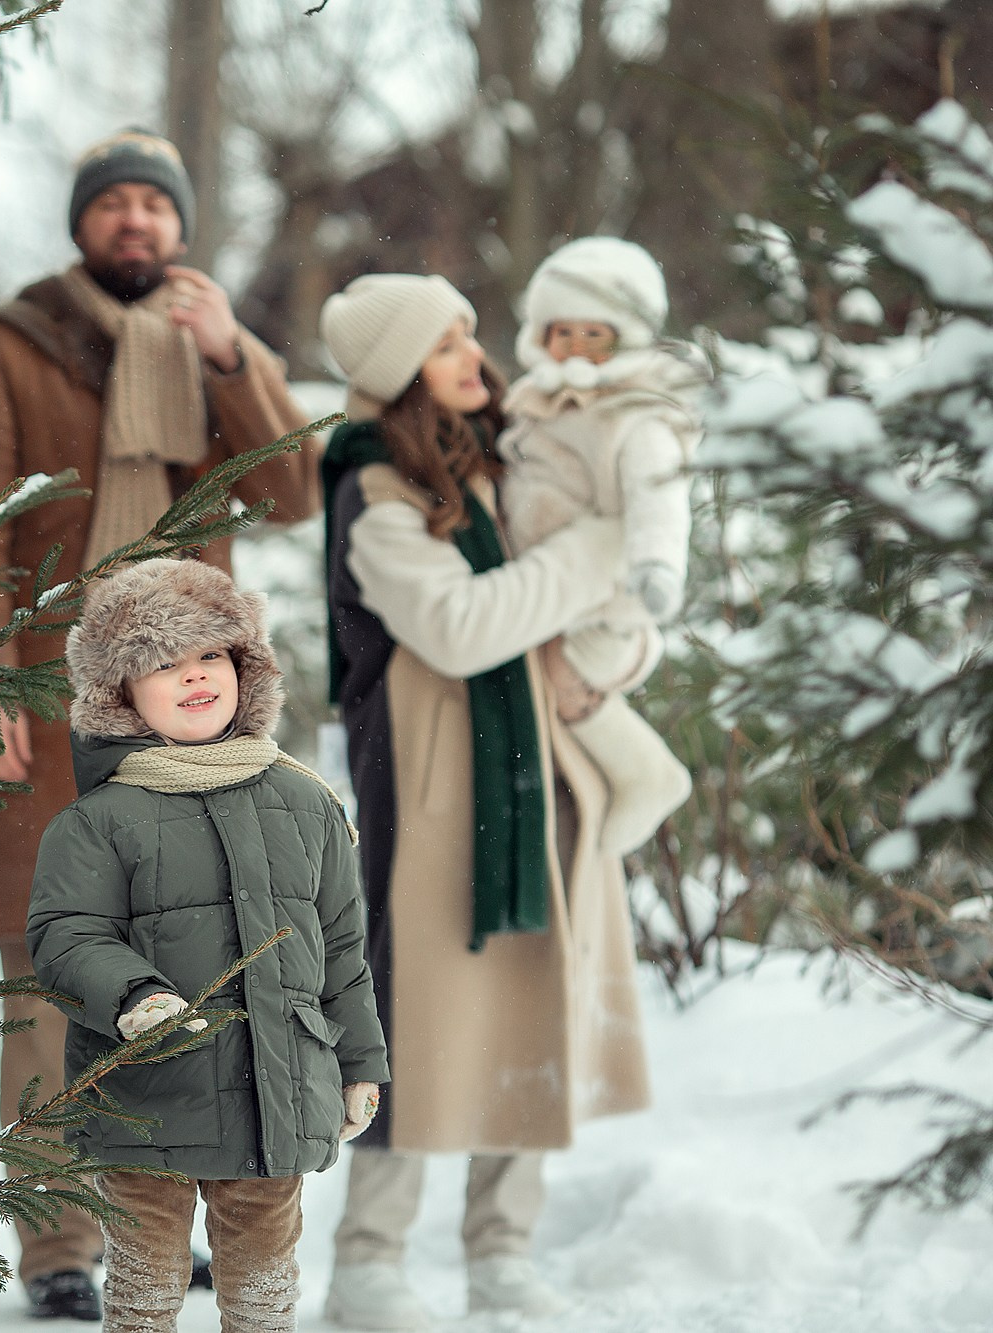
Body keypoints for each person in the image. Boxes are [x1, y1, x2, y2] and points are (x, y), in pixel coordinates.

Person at [0, 129, 318, 1319]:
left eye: (156, 202)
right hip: (52, 702)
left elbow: (290, 490)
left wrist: (228, 353)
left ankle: (158, 1214)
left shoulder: (208, 347)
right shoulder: (12, 345)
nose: (135, 221)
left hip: (190, 711)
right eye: (114, 204)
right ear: (81, 223)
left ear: (181, 226)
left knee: (191, 966)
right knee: (50, 971)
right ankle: (53, 1246)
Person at [314, 274, 653, 1329]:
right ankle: (367, 1261)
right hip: (425, 778)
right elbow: (459, 627)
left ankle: (502, 1244)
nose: (475, 351)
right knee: (411, 1010)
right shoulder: (370, 489)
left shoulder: (507, 460)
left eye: (470, 326)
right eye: (443, 339)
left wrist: (613, 651)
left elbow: (603, 615)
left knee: (526, 992)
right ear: (395, 371)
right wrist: (593, 549)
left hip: (530, 764)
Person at [25, 559, 389, 1333]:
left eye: (211, 656)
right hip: (144, 1103)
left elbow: (343, 949)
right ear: (119, 692)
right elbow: (66, 934)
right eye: (164, 663)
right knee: (146, 1288)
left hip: (275, 1096)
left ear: (244, 668)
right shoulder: (98, 821)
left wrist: (360, 1062)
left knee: (262, 1284)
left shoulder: (303, 802)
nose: (194, 677)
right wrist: (132, 993)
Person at [499, 236, 705, 854]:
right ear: (543, 336)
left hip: (610, 595)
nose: (580, 350)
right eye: (567, 334)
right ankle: (583, 788)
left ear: (628, 340)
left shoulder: (637, 416)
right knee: (532, 675)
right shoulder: (536, 403)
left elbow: (658, 496)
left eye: (599, 335)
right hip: (551, 589)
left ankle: (648, 775)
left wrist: (656, 566)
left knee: (557, 673)